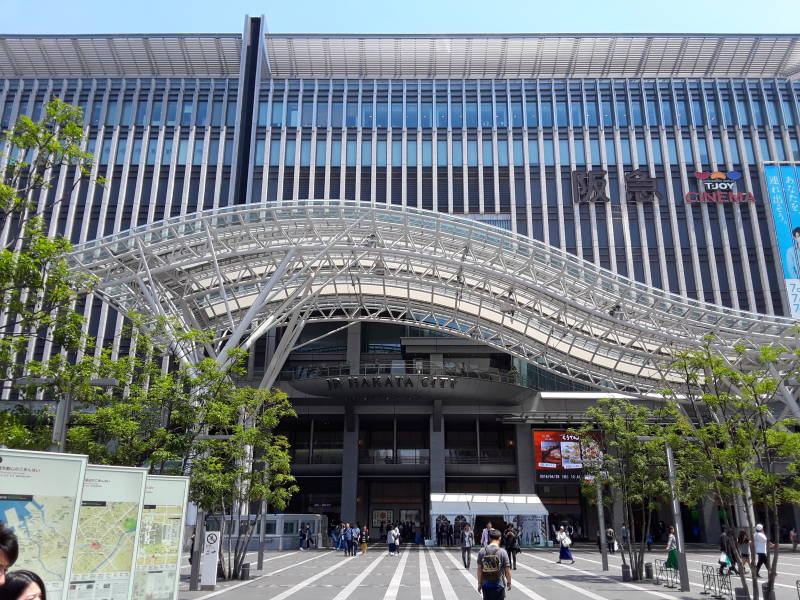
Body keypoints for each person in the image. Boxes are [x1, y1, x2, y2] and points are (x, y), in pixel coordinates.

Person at [477, 529, 512, 600]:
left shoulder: (482, 551)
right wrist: (509, 582)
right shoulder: (503, 552)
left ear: (489, 538)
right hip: (499, 584)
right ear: (500, 538)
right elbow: (507, 571)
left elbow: (479, 570)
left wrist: (479, 583)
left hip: (486, 584)